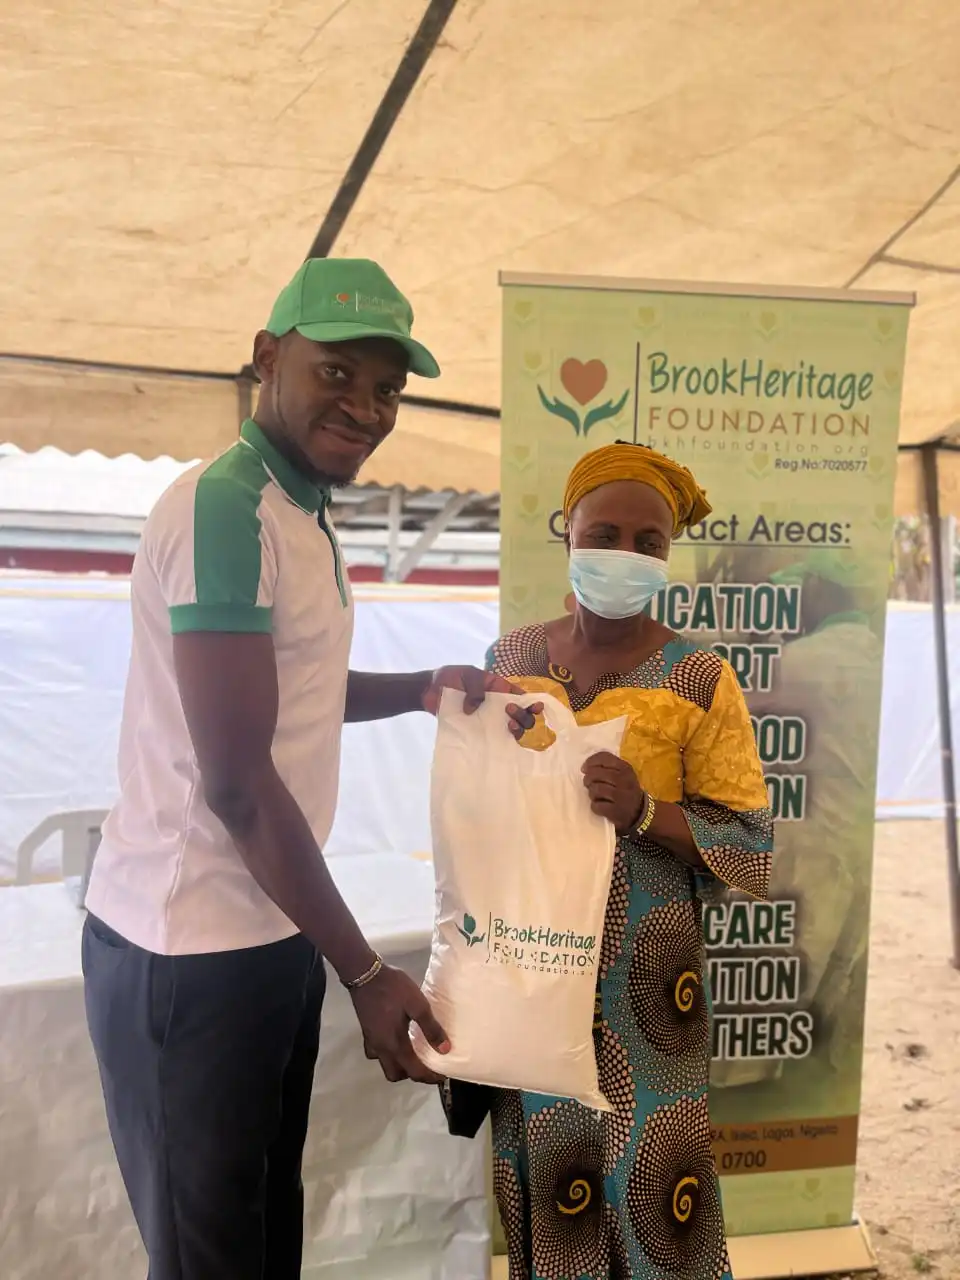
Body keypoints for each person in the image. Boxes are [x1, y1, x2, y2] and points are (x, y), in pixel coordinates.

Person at [81, 257, 516, 1280]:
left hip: (271, 928)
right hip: (188, 950)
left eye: (388, 388)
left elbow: (295, 690)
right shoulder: (223, 509)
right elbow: (236, 782)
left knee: (267, 1223)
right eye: (337, 373)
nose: (366, 406)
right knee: (211, 1253)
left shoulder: (300, 513)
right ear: (268, 357)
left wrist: (421, 686)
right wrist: (364, 970)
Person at [443, 443, 775, 1280]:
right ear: (568, 532)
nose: (625, 553)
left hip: (646, 985)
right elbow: (478, 808)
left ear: (667, 554)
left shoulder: (698, 677)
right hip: (533, 967)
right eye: (605, 533)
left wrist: (646, 811)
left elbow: (749, 842)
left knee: (654, 1185)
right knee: (554, 1177)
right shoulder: (511, 661)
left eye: (648, 542)